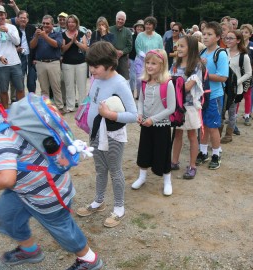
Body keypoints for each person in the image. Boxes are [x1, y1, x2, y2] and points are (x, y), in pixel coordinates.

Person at [0, 81, 103, 270]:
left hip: (46, 193)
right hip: (24, 189)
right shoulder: (0, 121)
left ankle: (88, 259)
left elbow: (5, 178)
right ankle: (30, 250)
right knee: (5, 214)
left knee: (62, 229)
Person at [76, 41, 137, 227]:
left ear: (109, 65)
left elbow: (134, 115)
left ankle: (119, 208)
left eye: (95, 66)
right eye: (90, 65)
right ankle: (99, 201)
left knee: (115, 170)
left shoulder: (120, 84)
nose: (91, 70)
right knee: (100, 169)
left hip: (112, 136)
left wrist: (110, 115)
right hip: (96, 133)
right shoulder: (97, 79)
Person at [131, 49, 176, 195]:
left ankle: (167, 180)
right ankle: (142, 176)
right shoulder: (144, 82)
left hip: (161, 125)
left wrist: (153, 119)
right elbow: (141, 100)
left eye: (153, 63)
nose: (149, 66)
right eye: (147, 63)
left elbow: (171, 107)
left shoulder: (167, 84)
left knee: (163, 152)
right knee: (144, 149)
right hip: (146, 123)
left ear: (162, 65)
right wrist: (140, 114)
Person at [170, 36, 206, 179]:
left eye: (182, 46)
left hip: (190, 107)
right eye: (178, 46)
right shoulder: (174, 64)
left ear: (190, 49)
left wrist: (174, 85)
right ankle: (174, 161)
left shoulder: (197, 66)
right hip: (177, 106)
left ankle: (192, 166)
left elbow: (186, 87)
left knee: (192, 135)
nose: (178, 48)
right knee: (177, 134)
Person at [197, 21, 229, 170]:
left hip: (214, 96)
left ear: (217, 37)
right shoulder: (202, 53)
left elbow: (223, 77)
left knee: (213, 126)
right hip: (202, 95)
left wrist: (204, 72)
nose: (205, 37)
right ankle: (203, 152)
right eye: (204, 34)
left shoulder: (220, 54)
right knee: (202, 125)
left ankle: (216, 154)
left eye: (209, 34)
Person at [0, 5, 24, 109]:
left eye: (1, 14)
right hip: (0, 65)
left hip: (15, 62)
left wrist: (7, 31)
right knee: (3, 90)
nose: (0, 17)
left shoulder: (12, 27)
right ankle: (5, 113)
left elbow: (17, 42)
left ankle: (22, 111)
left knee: (20, 88)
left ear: (5, 15)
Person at [221, 30, 252, 143]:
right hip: (222, 87)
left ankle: (229, 135)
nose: (227, 40)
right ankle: (218, 133)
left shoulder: (244, 56)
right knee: (221, 111)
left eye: (231, 38)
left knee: (232, 112)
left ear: (238, 40)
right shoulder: (223, 52)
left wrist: (237, 82)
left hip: (235, 90)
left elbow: (248, 73)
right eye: (227, 38)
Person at [30, 15, 64, 111]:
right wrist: (36, 37)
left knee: (56, 87)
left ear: (52, 24)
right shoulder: (38, 34)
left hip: (53, 62)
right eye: (43, 23)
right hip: (40, 63)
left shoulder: (57, 34)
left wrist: (45, 36)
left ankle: (59, 107)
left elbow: (57, 45)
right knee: (44, 88)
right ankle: (46, 107)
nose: (45, 25)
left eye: (47, 23)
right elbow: (32, 46)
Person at [61, 14, 88, 113]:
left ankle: (82, 107)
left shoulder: (81, 34)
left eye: (73, 22)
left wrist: (76, 42)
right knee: (69, 86)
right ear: (67, 23)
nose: (71, 24)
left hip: (81, 63)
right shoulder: (63, 34)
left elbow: (85, 48)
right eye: (69, 22)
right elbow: (63, 49)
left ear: (76, 23)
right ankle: (70, 106)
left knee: (82, 86)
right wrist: (71, 42)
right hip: (67, 64)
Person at [135, 16, 163, 101]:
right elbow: (138, 48)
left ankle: (152, 98)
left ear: (153, 25)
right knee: (141, 80)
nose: (147, 26)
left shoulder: (158, 37)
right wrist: (146, 57)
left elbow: (161, 49)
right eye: (146, 24)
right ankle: (141, 98)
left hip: (155, 63)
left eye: (149, 24)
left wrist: (156, 59)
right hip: (141, 61)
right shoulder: (140, 36)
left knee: (153, 80)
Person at [238, 23, 253, 126]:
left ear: (250, 34)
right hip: (238, 75)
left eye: (246, 32)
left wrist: (249, 71)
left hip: (249, 76)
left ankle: (247, 115)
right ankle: (234, 115)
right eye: (242, 32)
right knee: (237, 96)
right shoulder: (237, 45)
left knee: (247, 96)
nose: (243, 34)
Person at [15, 10, 37, 93]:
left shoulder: (32, 28)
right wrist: (16, 50)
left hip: (31, 57)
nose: (23, 20)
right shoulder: (14, 29)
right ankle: (20, 101)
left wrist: (35, 58)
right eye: (21, 18)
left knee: (31, 81)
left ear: (27, 20)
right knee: (19, 81)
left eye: (24, 18)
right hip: (19, 57)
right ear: (17, 19)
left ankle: (32, 100)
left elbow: (37, 44)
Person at [109, 11, 132, 80]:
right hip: (111, 58)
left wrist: (122, 52)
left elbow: (129, 46)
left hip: (123, 59)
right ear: (116, 19)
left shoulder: (128, 32)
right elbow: (106, 43)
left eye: (122, 19)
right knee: (111, 79)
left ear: (124, 21)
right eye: (119, 19)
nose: (120, 21)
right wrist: (115, 51)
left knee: (124, 80)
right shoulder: (109, 30)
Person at [129, 19, 144, 99]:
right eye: (138, 26)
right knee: (132, 77)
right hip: (132, 59)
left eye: (141, 27)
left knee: (140, 78)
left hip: (142, 60)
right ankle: (131, 93)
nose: (139, 28)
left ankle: (139, 94)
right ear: (135, 28)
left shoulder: (145, 38)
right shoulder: (132, 37)